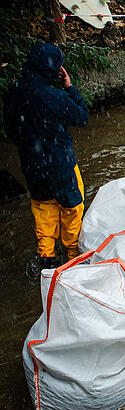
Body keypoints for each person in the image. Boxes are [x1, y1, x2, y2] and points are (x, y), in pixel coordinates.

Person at [3, 43, 89, 272]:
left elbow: (11, 130)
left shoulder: (13, 94)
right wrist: (70, 88)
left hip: (33, 168)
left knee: (43, 209)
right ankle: (74, 256)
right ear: (53, 71)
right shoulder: (54, 96)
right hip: (61, 167)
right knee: (72, 209)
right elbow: (81, 117)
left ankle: (47, 259)